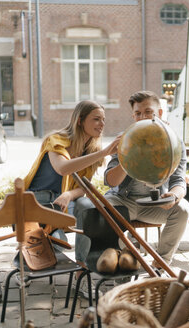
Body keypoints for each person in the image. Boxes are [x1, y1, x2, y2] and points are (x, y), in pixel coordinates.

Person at [74, 90, 189, 268]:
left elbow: (179, 182)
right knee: (103, 211)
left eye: (148, 112)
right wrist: (128, 156)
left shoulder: (173, 141)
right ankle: (121, 260)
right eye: (138, 113)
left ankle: (161, 263)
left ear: (159, 113)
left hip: (154, 203)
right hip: (123, 200)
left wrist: (173, 196)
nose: (143, 117)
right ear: (133, 116)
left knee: (183, 209)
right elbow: (111, 181)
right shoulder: (125, 138)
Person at [23, 100, 120, 247]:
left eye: (103, 120)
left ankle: (83, 265)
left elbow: (84, 187)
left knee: (89, 207)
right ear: (80, 120)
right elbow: (63, 168)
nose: (102, 124)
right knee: (58, 244)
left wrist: (68, 195)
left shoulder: (92, 151)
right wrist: (104, 153)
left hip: (64, 204)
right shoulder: (56, 140)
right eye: (96, 119)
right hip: (38, 202)